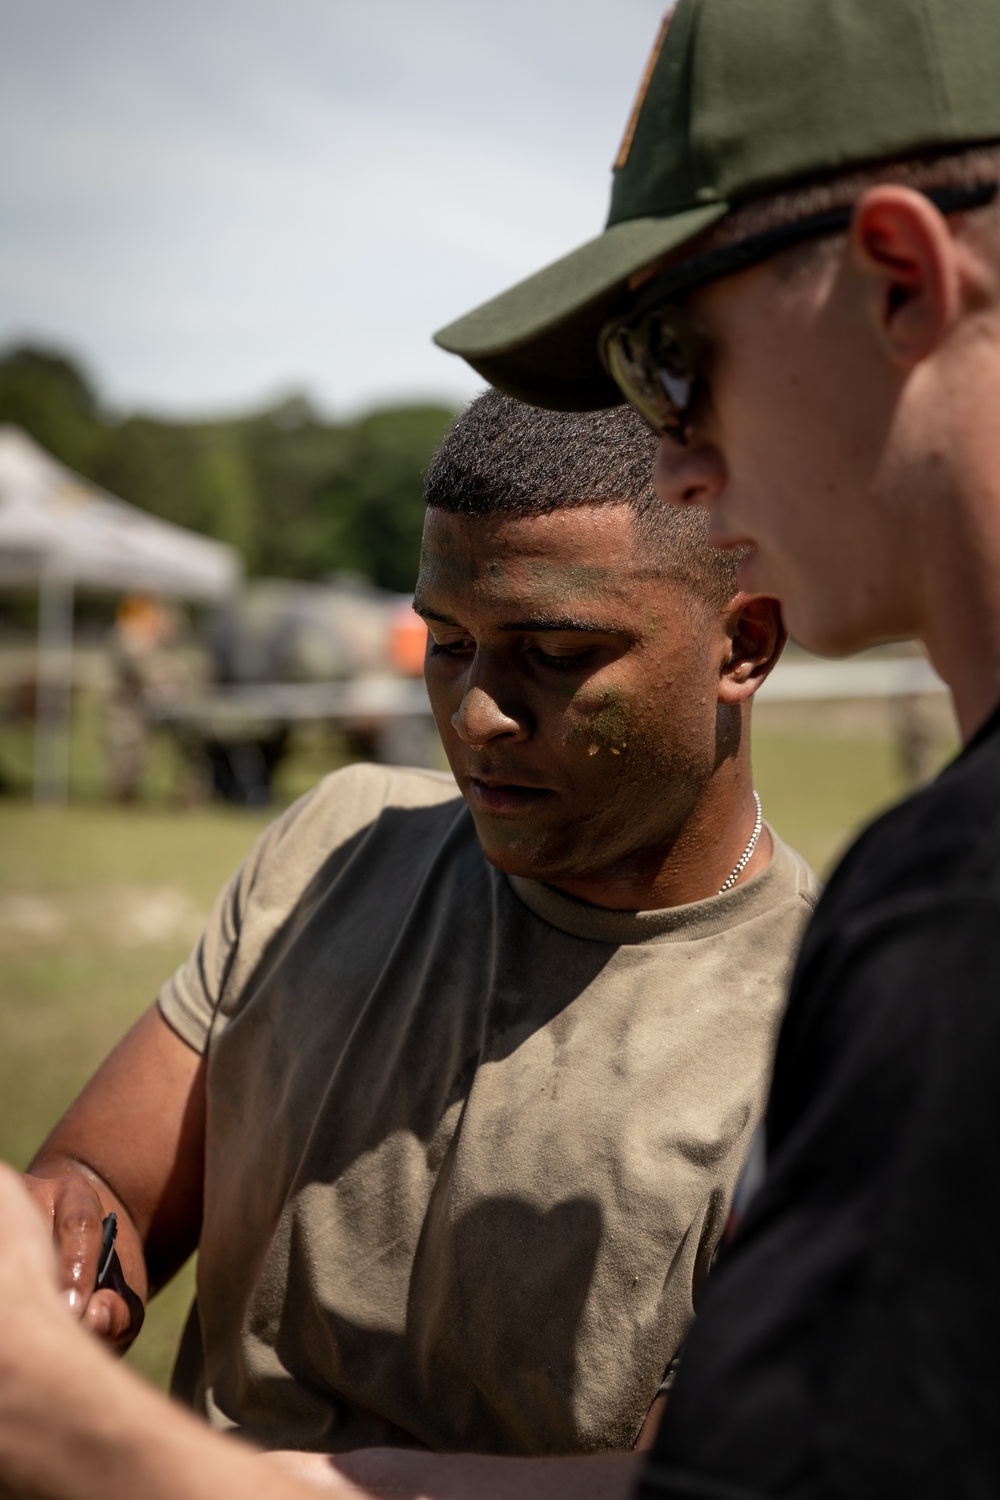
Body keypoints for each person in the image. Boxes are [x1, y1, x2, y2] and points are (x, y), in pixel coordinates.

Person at [21, 393, 814, 1477]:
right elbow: (101, 1180)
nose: (478, 710)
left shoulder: (820, 1026)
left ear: (746, 644)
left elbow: (711, 1478)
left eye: (557, 650)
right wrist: (66, 1248)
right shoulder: (333, 843)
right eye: (447, 643)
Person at [434, 0, 1000, 1493]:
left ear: (901, 281)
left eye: (669, 357)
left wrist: (70, 1430)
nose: (674, 470)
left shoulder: (963, 908)